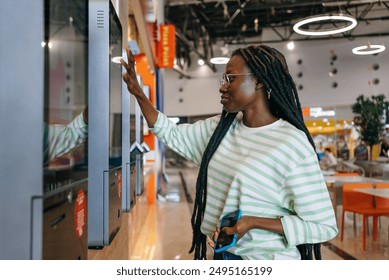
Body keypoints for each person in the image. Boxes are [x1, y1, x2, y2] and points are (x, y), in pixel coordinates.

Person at [121, 45, 338, 260]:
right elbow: (171, 133)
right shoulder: (221, 129)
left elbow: (323, 226)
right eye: (223, 79)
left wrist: (254, 222)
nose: (222, 87)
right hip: (224, 255)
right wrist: (139, 94)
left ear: (259, 81)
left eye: (231, 79)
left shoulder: (292, 143)